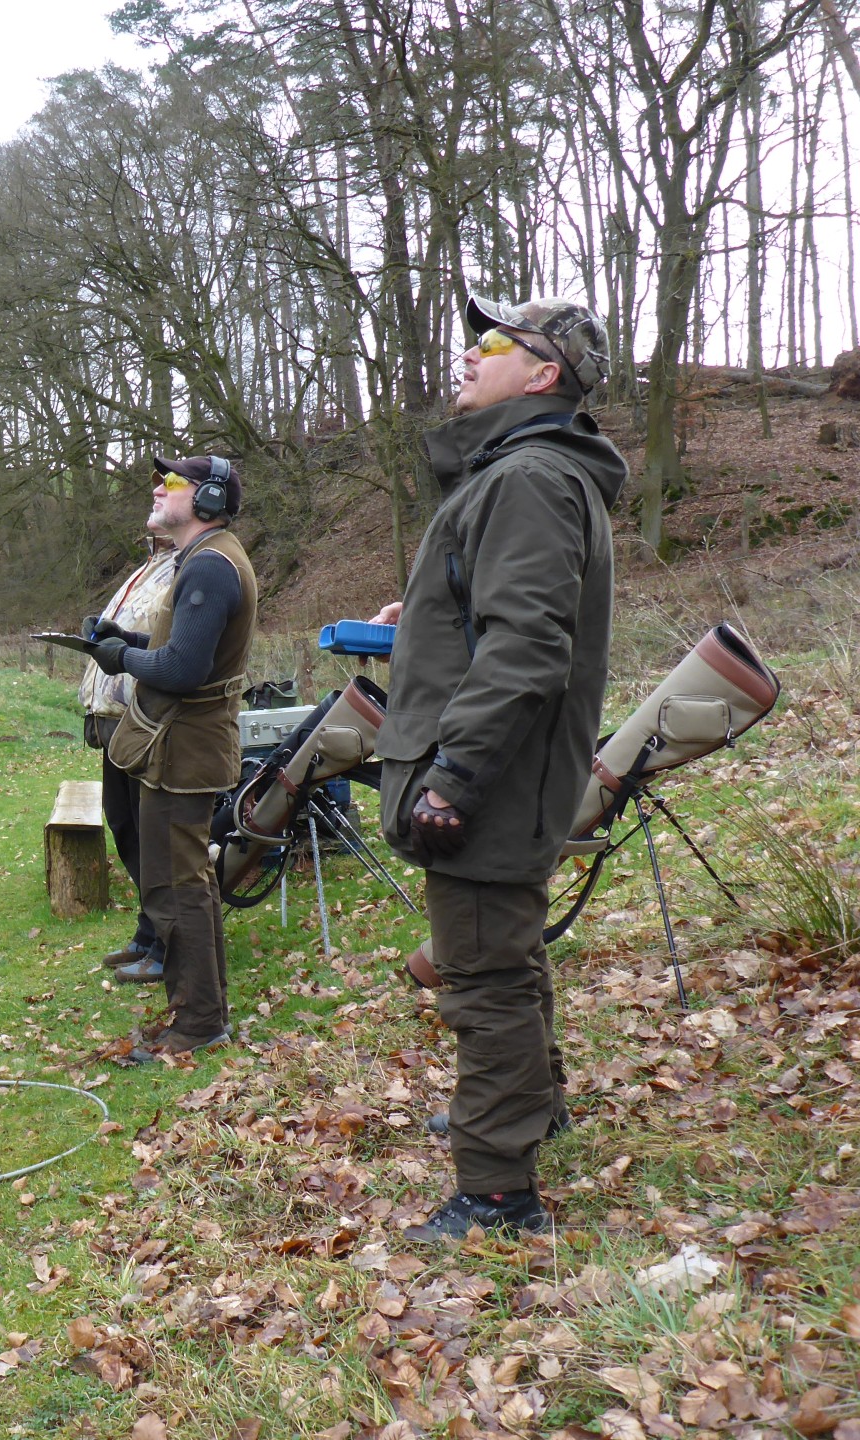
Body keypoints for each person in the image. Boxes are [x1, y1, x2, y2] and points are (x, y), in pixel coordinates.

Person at [368, 295, 626, 1242]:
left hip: (495, 778)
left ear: (545, 373)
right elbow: (501, 614)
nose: (468, 356)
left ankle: (496, 1194)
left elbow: (526, 647)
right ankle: (535, 1109)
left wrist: (455, 777)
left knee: (482, 977)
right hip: (509, 768)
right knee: (508, 955)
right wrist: (424, 617)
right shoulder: (524, 473)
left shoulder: (527, 478)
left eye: (492, 342)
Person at [87, 455, 258, 1058]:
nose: (159, 489)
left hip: (182, 748)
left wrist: (122, 659)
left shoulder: (209, 564)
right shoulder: (206, 558)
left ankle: (199, 1024)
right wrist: (126, 641)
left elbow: (183, 669)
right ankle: (204, 1012)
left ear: (208, 499)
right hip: (181, 745)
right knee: (186, 884)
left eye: (175, 482)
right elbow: (183, 647)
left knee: (175, 888)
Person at [79, 535, 178, 983]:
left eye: (164, 498)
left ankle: (168, 943)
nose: (154, 504)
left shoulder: (194, 563)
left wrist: (125, 651)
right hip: (117, 724)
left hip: (149, 724)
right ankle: (148, 928)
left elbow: (178, 650)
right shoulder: (151, 564)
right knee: (125, 827)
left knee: (153, 838)